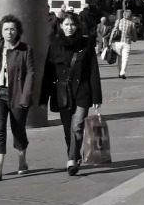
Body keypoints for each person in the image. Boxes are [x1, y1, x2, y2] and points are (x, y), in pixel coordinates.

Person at [42, 13, 104, 175]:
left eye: (72, 25)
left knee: (77, 126)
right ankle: (75, 156)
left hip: (82, 92)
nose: (69, 28)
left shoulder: (86, 43)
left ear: (77, 26)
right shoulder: (54, 44)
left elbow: (93, 72)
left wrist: (97, 97)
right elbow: (48, 73)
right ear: (60, 25)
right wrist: (43, 97)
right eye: (66, 24)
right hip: (62, 93)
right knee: (67, 129)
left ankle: (71, 160)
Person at [0, 14, 35, 181]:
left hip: (17, 94)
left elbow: (31, 73)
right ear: (0, 31)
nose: (9, 32)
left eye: (12, 29)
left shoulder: (26, 49)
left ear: (17, 31)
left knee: (18, 131)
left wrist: (26, 96)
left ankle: (22, 161)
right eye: (5, 29)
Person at [113, 10, 137, 79]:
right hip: (127, 42)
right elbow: (134, 34)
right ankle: (122, 72)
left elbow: (114, 30)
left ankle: (119, 72)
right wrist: (134, 39)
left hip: (118, 42)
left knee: (119, 58)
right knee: (125, 58)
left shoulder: (118, 21)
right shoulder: (132, 23)